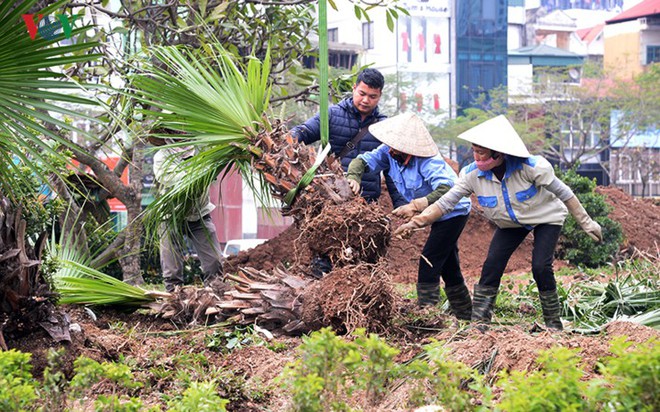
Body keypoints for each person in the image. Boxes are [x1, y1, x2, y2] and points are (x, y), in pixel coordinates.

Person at [394, 115, 603, 330]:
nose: (476, 156)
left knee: (540, 266)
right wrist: (416, 223)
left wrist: (586, 223)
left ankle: (553, 324)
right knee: (492, 266)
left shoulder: (532, 168)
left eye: (481, 152)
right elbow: (446, 202)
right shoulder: (471, 175)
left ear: (498, 153)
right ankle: (480, 323)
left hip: (545, 218)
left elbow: (565, 194)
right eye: (474, 150)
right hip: (510, 224)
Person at [346, 113, 473, 319]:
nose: (390, 149)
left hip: (453, 212)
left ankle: (427, 317)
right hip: (433, 213)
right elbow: (362, 161)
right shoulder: (389, 153)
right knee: (449, 266)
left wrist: (415, 206)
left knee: (429, 262)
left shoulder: (428, 161)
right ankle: (466, 314)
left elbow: (447, 188)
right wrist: (354, 177)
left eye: (395, 146)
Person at [290, 68, 405, 276]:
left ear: (379, 96)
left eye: (372, 96)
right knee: (325, 261)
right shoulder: (332, 115)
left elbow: (391, 169)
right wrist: (290, 137)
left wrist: (401, 204)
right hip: (331, 203)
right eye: (362, 93)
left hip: (366, 204)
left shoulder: (384, 126)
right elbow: (304, 132)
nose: (365, 100)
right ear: (354, 88)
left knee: (363, 264)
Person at [150, 134, 224, 292]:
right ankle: (174, 297)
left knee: (214, 261)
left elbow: (214, 170)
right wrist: (198, 174)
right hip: (170, 216)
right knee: (172, 267)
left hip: (199, 214)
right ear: (168, 130)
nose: (182, 132)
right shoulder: (162, 156)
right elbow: (172, 179)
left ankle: (215, 295)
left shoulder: (204, 150)